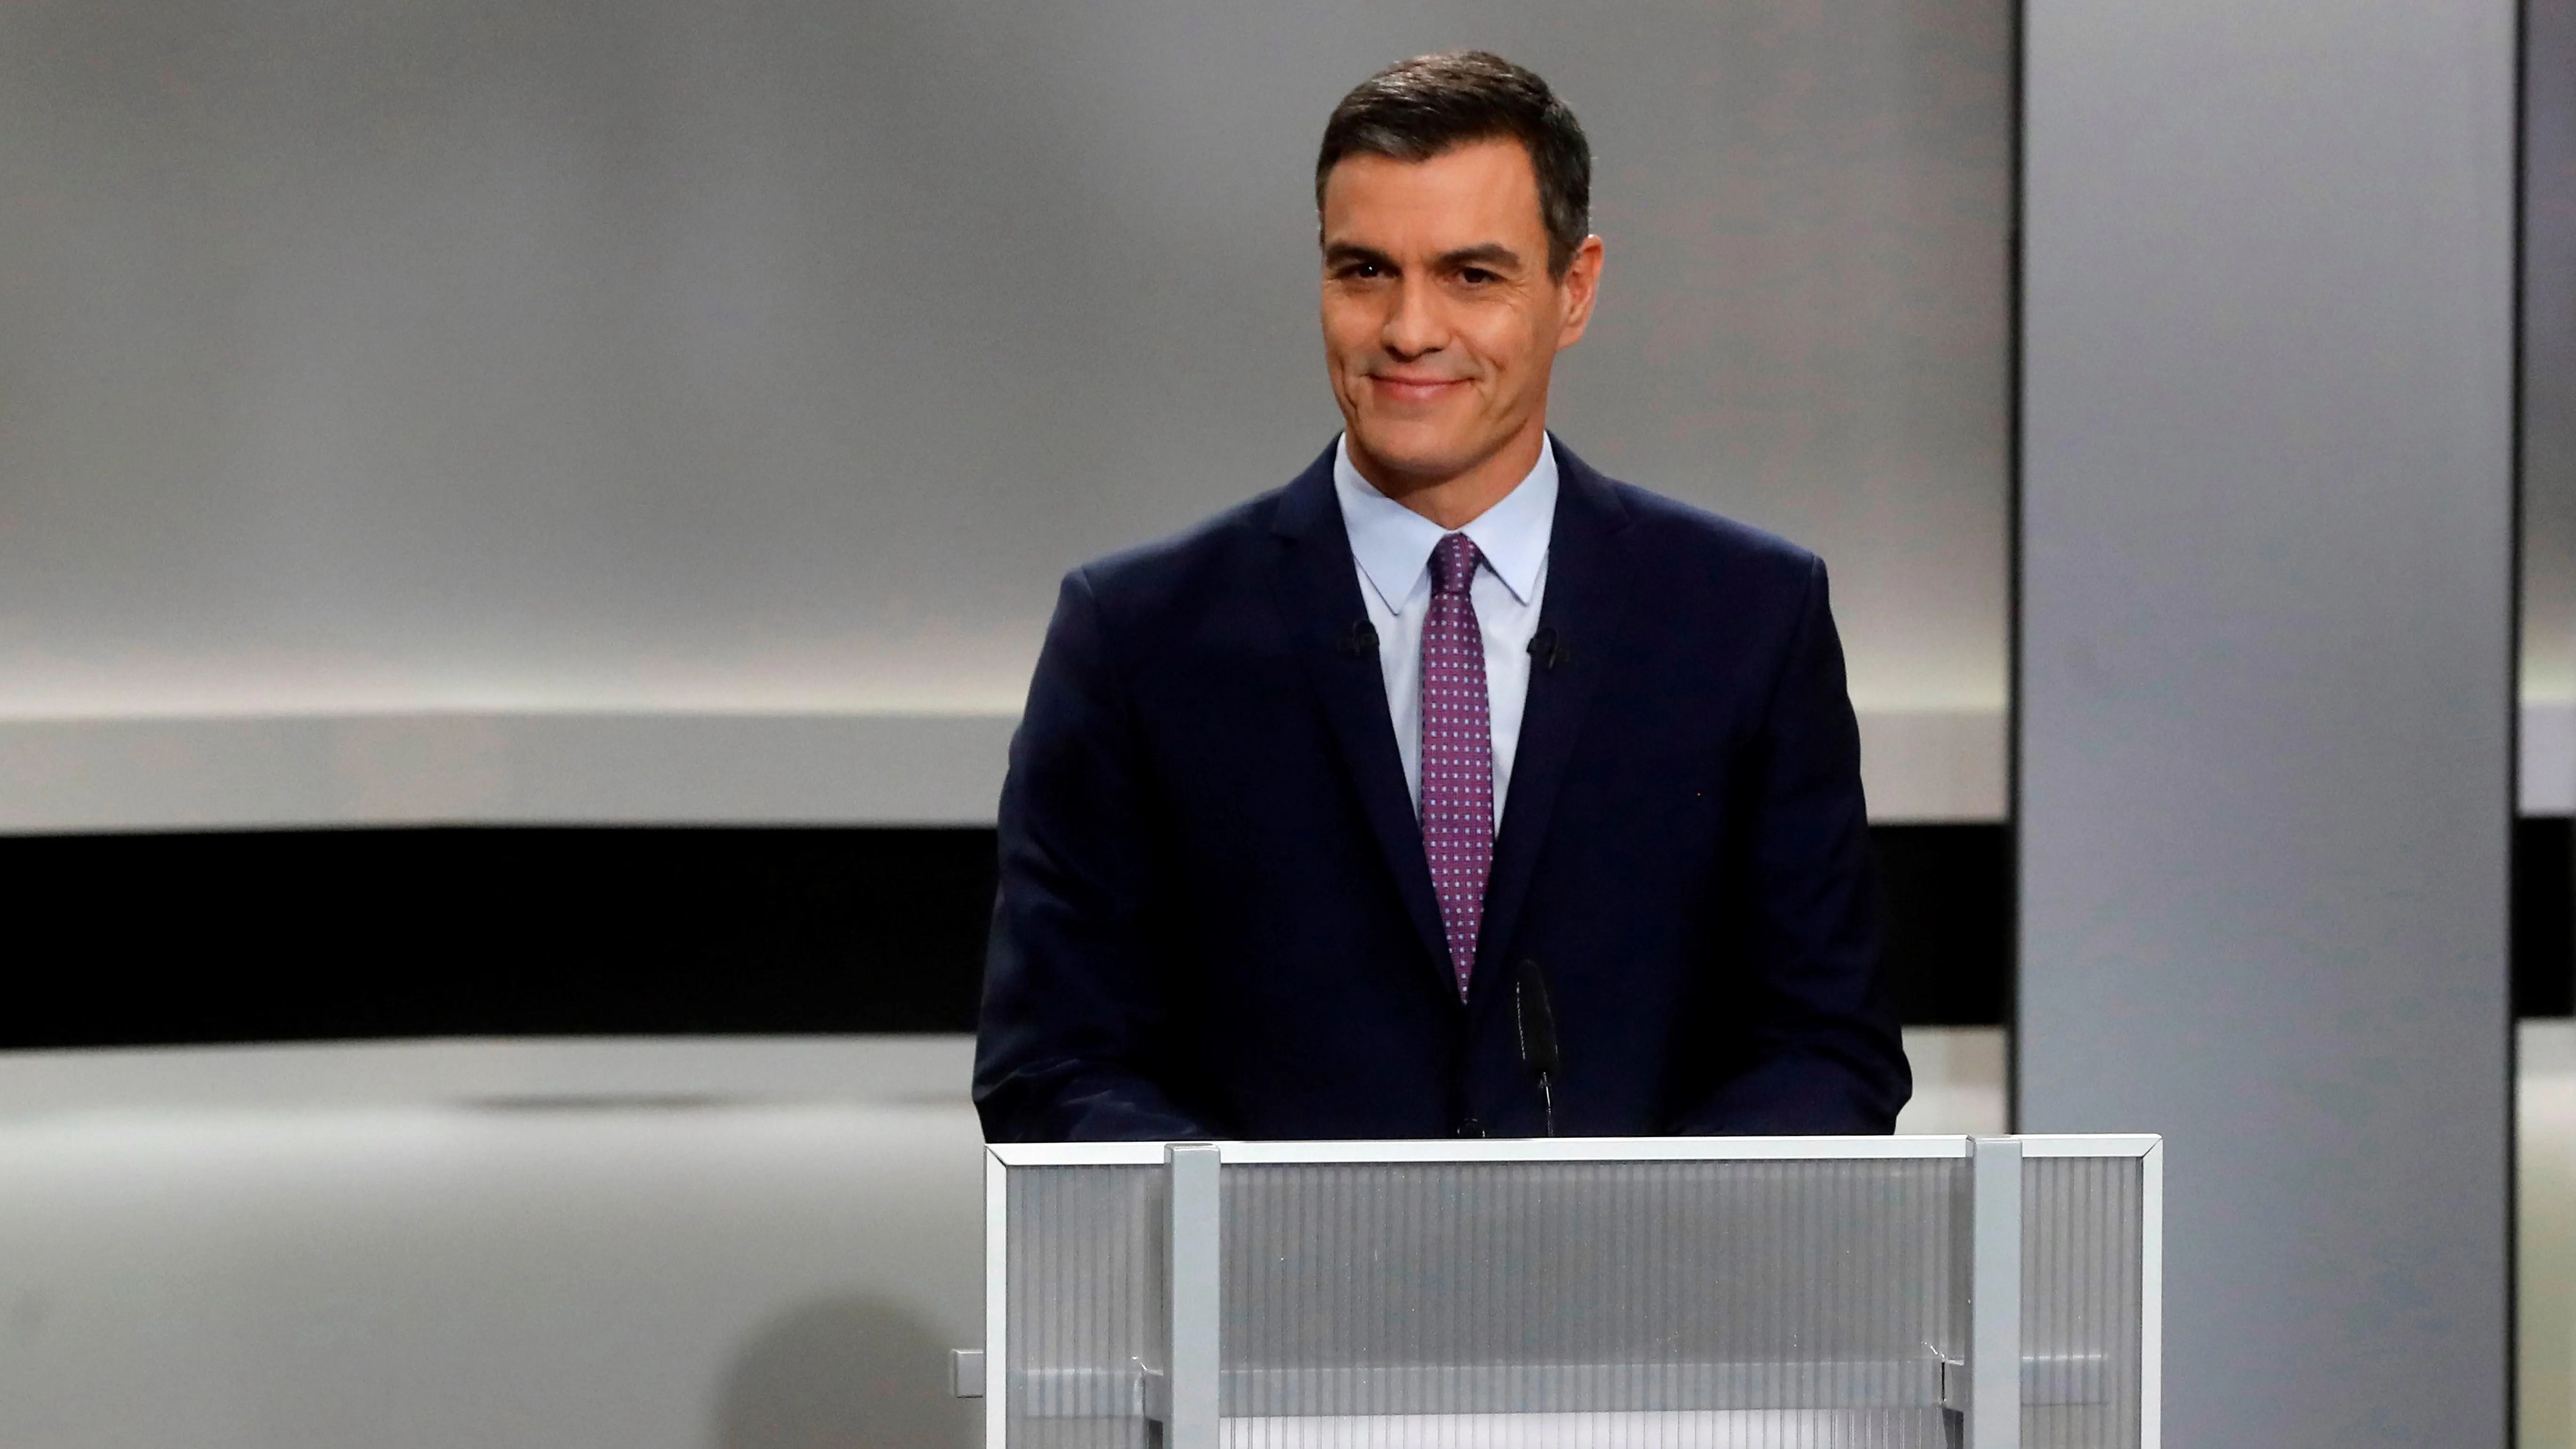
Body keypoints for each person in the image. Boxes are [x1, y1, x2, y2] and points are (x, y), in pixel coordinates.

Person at [974, 50, 1908, 1141]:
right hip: (1269, 1304)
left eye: (1472, 275)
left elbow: (1824, 1047)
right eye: (1365, 270)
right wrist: (1269, 1257)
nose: (1410, 330)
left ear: (1575, 289)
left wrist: (1642, 1258)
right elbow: (1057, 1066)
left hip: (1645, 1302)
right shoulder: (1137, 640)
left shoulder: (1746, 620)